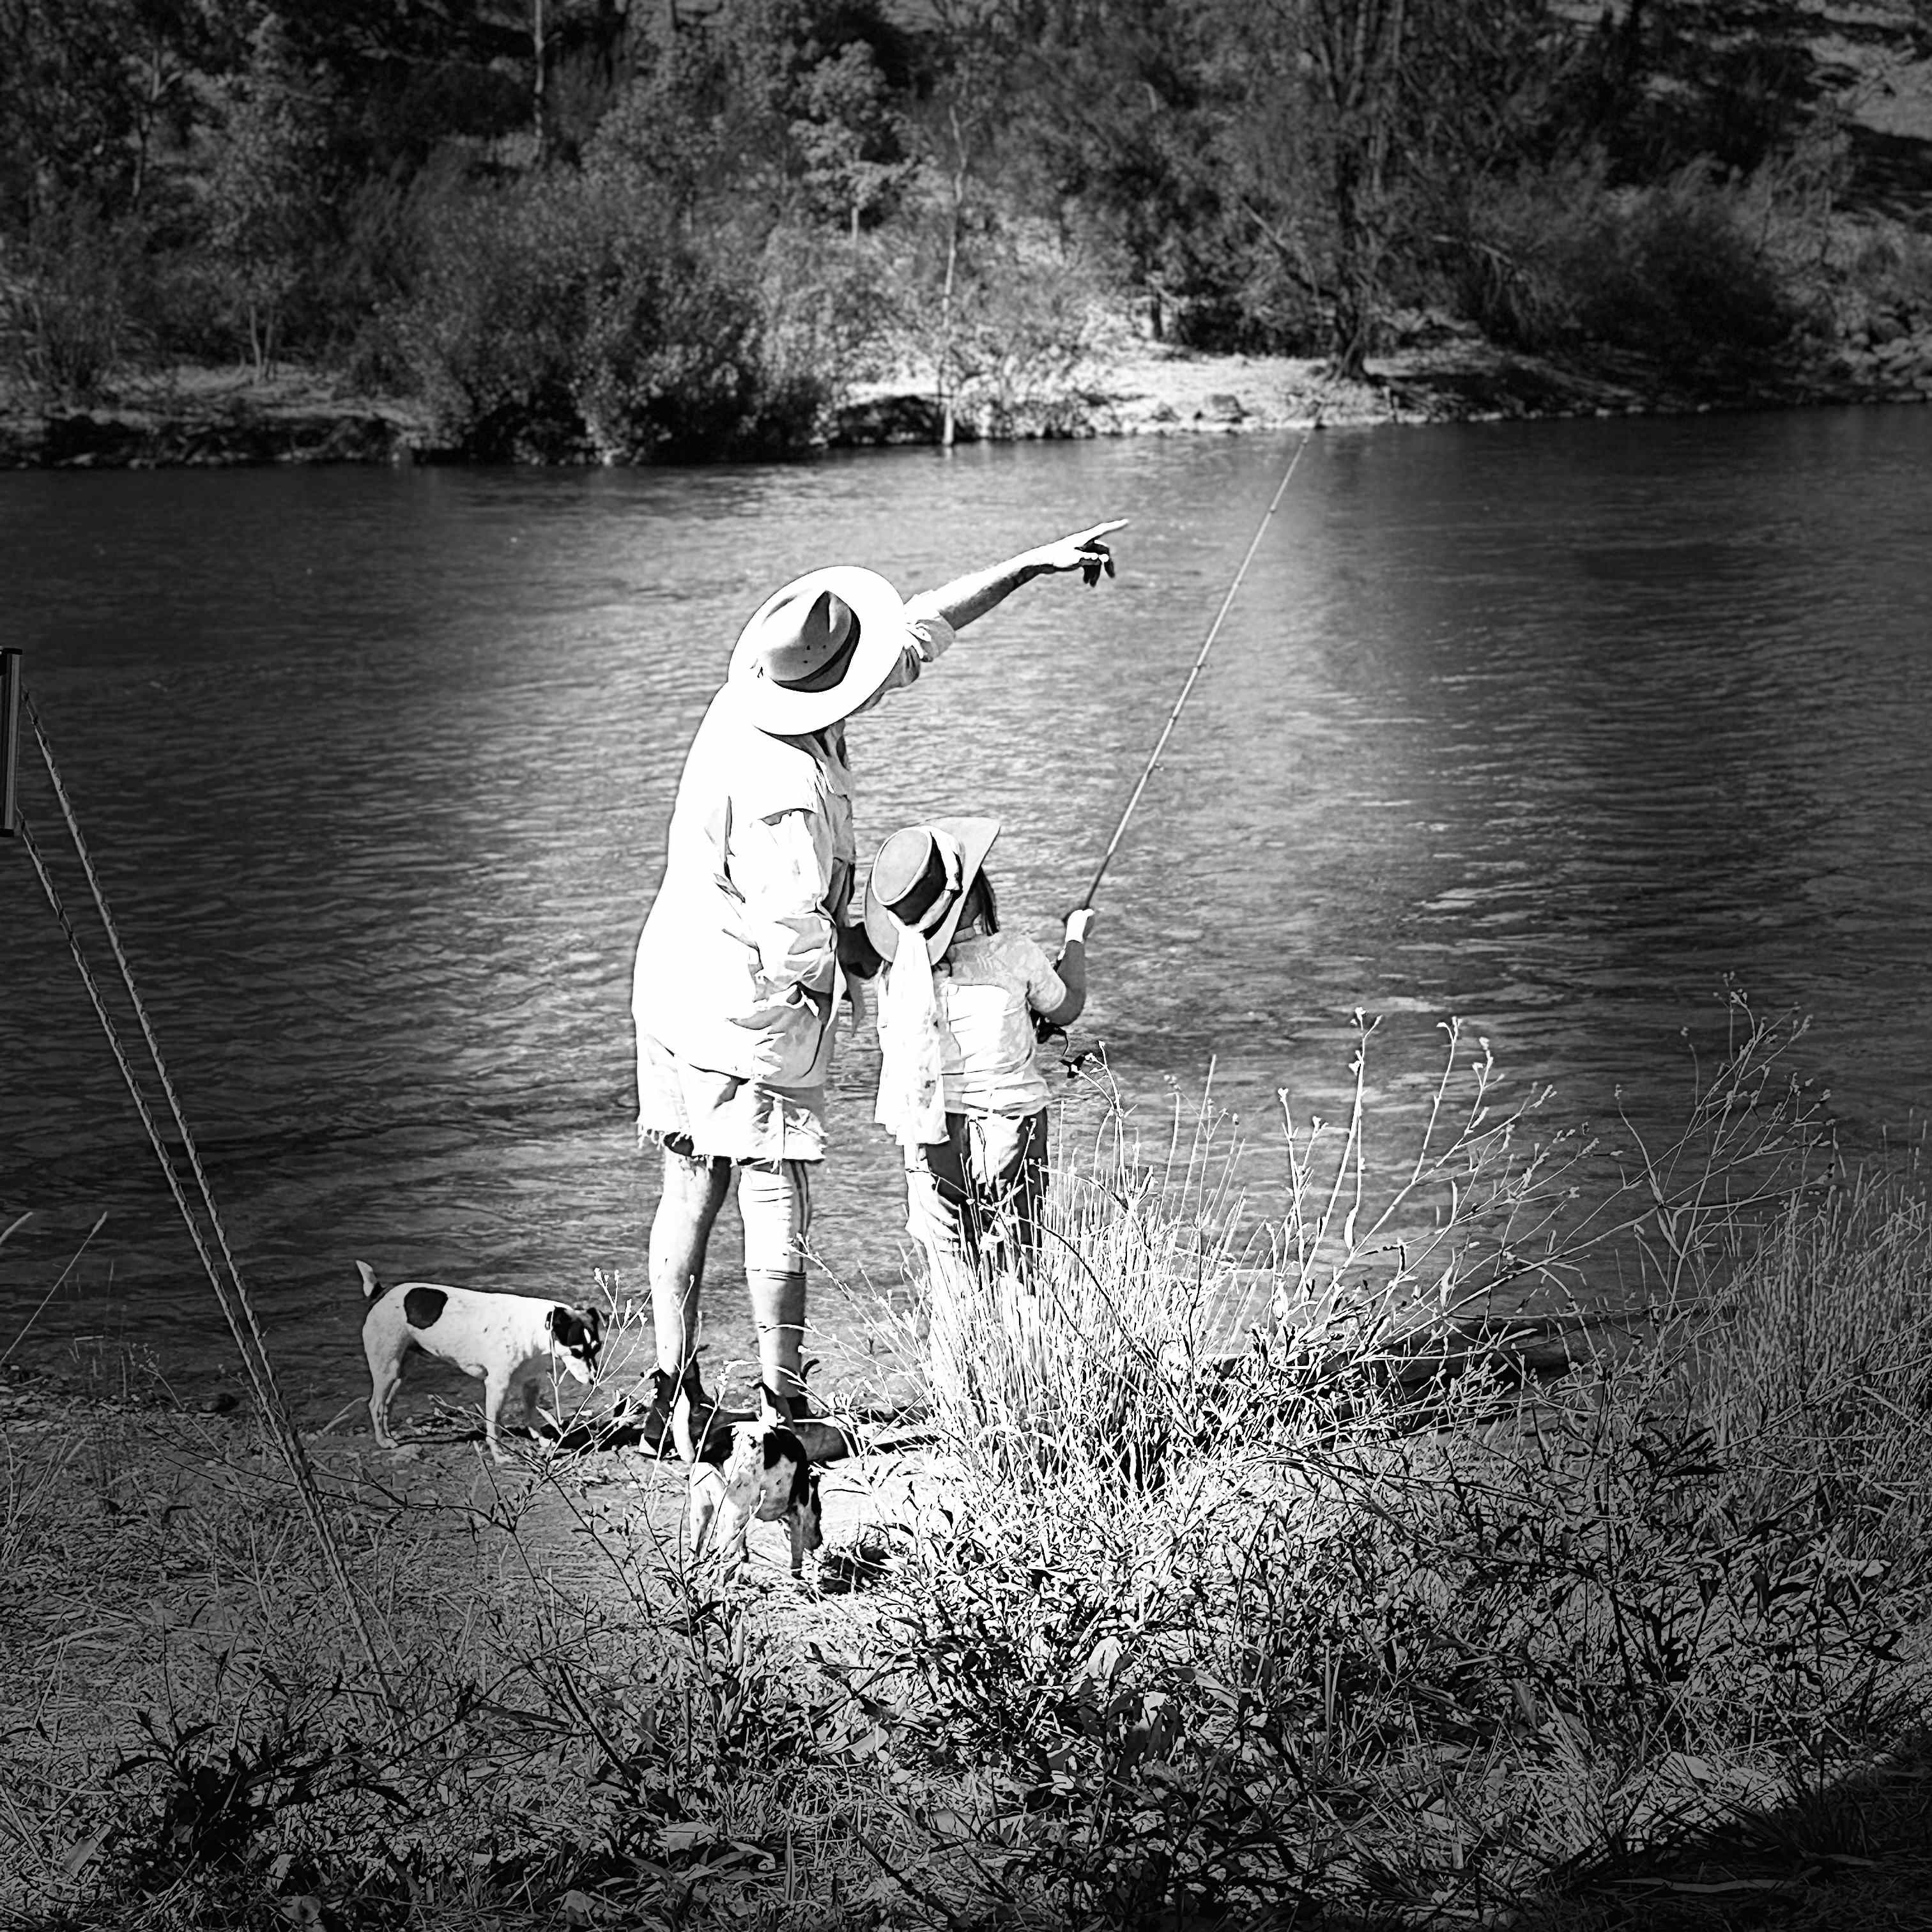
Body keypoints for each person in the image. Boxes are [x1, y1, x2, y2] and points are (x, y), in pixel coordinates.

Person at [628, 521, 1123, 1446]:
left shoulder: (755, 692)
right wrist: (897, 950)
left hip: (668, 981)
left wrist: (1030, 565)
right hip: (742, 1007)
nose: (872, 687)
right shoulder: (786, 792)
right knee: (771, 1189)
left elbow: (922, 628)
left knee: (688, 1185)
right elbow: (793, 942)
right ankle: (782, 1414)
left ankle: (673, 1398)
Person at [863, 816, 1092, 1280]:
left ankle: (963, 1332)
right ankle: (1019, 1330)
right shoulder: (1012, 953)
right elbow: (1067, 1007)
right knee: (1020, 1266)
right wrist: (1075, 938)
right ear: (973, 896)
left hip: (933, 1135)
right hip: (1010, 1126)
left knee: (952, 1273)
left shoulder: (896, 977)